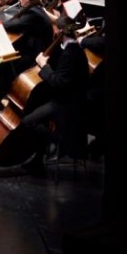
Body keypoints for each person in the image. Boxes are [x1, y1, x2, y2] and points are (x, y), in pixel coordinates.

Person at [19, 15, 89, 176]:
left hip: (67, 105)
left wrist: (44, 65)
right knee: (37, 107)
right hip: (68, 98)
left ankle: (56, 140)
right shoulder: (73, 48)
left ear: (59, 32)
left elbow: (58, 81)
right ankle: (38, 160)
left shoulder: (71, 53)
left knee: (29, 121)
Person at [0, 0, 54, 103]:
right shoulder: (37, 8)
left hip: (38, 55)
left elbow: (14, 25)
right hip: (38, 47)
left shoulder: (33, 13)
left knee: (5, 62)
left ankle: (7, 95)